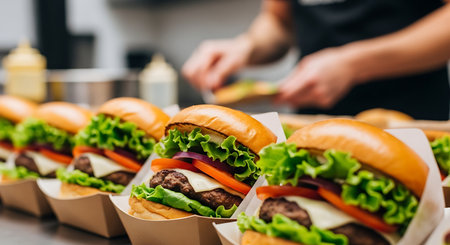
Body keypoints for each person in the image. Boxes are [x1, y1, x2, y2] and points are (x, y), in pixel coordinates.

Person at [182, 0, 450, 120]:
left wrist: (353, 65)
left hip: (411, 123)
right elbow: (279, 20)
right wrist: (245, 47)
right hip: (314, 125)